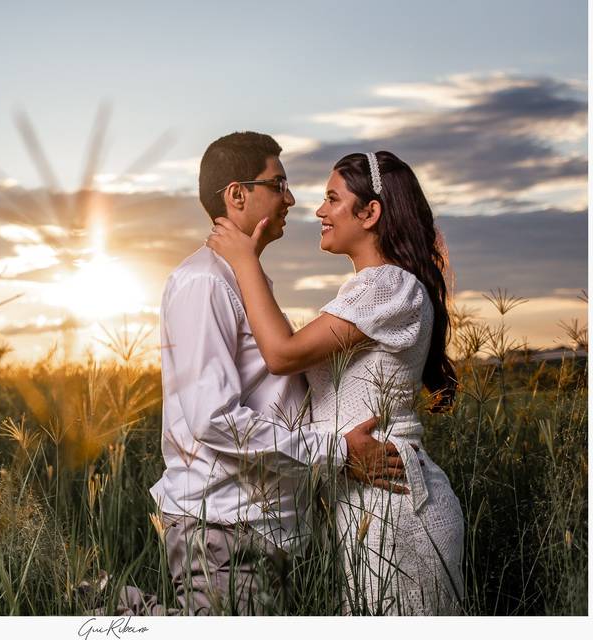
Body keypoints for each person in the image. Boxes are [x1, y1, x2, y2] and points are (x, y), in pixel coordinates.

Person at [146, 133, 411, 616]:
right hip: (226, 526)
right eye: (279, 183)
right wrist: (336, 452)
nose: (291, 198)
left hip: (267, 528)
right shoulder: (203, 282)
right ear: (238, 195)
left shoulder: (245, 280)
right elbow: (213, 420)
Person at [206, 150, 465, 615]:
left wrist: (244, 260)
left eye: (332, 199)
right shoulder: (363, 291)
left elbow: (282, 355)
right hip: (365, 498)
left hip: (397, 504)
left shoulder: (389, 285)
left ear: (370, 213)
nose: (319, 211)